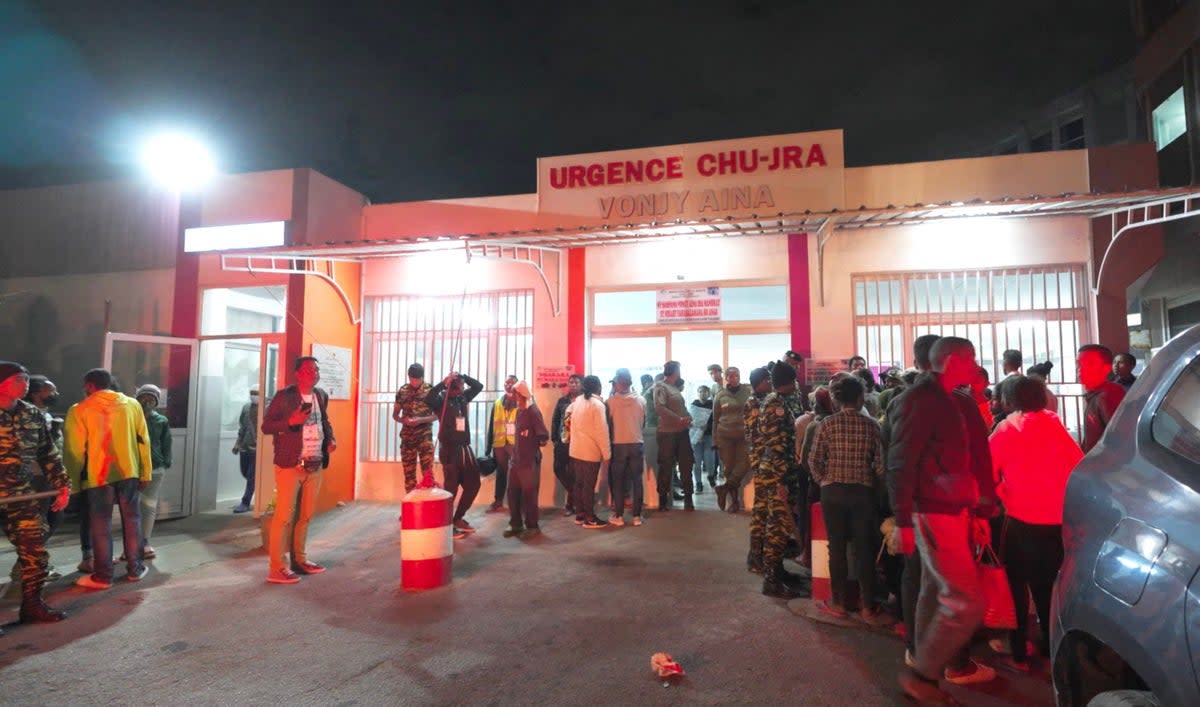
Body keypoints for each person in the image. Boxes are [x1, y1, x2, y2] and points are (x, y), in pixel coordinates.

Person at [891, 337, 998, 700]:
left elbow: (978, 458)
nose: (974, 366)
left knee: (933, 591)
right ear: (952, 361)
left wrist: (981, 509)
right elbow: (901, 462)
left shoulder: (959, 401)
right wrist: (903, 521)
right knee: (965, 601)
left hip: (954, 508)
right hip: (933, 510)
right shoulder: (919, 401)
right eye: (970, 360)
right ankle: (924, 674)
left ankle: (924, 671)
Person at [989, 376, 1083, 671]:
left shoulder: (1006, 429)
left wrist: (1003, 492)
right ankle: (1050, 646)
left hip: (1020, 521)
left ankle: (1018, 652)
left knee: (1016, 586)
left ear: (1009, 400)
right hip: (1057, 523)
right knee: (1048, 587)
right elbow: (1078, 467)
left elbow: (988, 473)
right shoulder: (1057, 427)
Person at [808, 375, 886, 623]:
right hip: (862, 493)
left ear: (837, 399)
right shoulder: (872, 425)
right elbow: (881, 466)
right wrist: (869, 481)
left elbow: (813, 460)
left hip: (832, 493)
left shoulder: (827, 424)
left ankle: (839, 603)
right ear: (861, 397)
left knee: (837, 547)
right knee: (864, 549)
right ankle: (868, 606)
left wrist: (825, 480)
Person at [65, 368, 152, 590]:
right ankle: (135, 569)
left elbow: (74, 452)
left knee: (100, 524)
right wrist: (146, 472)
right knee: (132, 520)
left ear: (89, 386)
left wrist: (71, 484)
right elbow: (143, 440)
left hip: (98, 476)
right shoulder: (132, 405)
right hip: (129, 472)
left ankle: (103, 577)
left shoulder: (79, 410)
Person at [0, 362, 71, 626]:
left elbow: (47, 453)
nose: (26, 383)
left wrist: (62, 484)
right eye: (20, 378)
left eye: (28, 378)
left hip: (20, 494)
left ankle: (31, 606)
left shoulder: (31, 414)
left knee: (35, 552)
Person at [260, 357, 336, 584]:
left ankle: (300, 559)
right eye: (310, 369)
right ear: (297, 373)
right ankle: (276, 567)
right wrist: (291, 422)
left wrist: (330, 439)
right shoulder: (285, 396)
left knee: (306, 516)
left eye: (317, 368)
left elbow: (325, 421)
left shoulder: (320, 395)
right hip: (290, 464)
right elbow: (266, 426)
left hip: (315, 463)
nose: (315, 372)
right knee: (283, 517)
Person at [751, 363, 805, 598]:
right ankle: (771, 580)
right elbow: (775, 446)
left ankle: (778, 572)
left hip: (777, 471)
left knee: (777, 524)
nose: (795, 385)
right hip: (777, 473)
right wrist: (782, 480)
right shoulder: (775, 405)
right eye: (793, 381)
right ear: (788, 381)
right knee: (778, 526)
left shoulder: (777, 401)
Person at [426, 371, 485, 539]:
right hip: (449, 450)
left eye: (461, 386)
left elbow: (478, 386)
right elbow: (428, 398)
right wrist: (443, 383)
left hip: (465, 449)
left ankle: (458, 518)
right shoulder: (440, 401)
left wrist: (464, 376)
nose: (461, 389)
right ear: (450, 387)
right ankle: (446, 526)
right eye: (458, 387)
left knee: (473, 484)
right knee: (450, 489)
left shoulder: (462, 398)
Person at [19, 375, 63, 582]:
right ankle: (28, 566)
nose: (55, 394)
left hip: (45, 475)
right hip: (37, 475)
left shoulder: (41, 413)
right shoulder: (27, 414)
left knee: (49, 518)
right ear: (37, 392)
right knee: (41, 521)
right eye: (50, 390)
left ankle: (29, 564)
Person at [502, 381, 548, 539]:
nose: (512, 395)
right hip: (516, 460)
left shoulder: (533, 411)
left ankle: (532, 525)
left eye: (515, 393)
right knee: (512, 492)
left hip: (528, 462)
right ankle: (515, 523)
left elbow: (543, 436)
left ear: (521, 394)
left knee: (529, 494)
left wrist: (530, 446)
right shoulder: (519, 411)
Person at [568, 375, 610, 529]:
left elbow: (567, 416)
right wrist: (607, 454)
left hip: (575, 450)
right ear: (598, 387)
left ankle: (579, 514)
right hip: (590, 452)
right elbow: (602, 432)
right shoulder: (597, 405)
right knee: (588, 486)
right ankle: (590, 518)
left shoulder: (577, 401)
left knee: (578, 484)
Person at [134, 384, 171, 559]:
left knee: (148, 505)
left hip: (155, 467)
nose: (147, 402)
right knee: (132, 506)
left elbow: (166, 444)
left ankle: (145, 541)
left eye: (151, 399)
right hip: (132, 467)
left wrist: (165, 464)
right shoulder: (130, 417)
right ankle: (132, 542)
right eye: (143, 398)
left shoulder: (161, 421)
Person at [605, 368, 646, 527]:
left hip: (618, 445)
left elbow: (607, 425)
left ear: (617, 383)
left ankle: (619, 516)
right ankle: (636, 517)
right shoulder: (641, 400)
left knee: (618, 482)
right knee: (637, 481)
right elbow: (643, 422)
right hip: (637, 443)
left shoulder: (610, 402)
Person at [653, 361, 694, 511]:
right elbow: (659, 408)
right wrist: (679, 419)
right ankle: (663, 501)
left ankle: (688, 499)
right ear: (675, 371)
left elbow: (681, 408)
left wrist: (688, 417)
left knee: (687, 465)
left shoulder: (674, 388)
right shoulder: (660, 387)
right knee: (666, 467)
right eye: (679, 370)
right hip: (667, 434)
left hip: (682, 432)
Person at [743, 366, 773, 569]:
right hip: (762, 459)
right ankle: (755, 555)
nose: (770, 383)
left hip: (765, 459)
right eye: (767, 380)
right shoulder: (754, 402)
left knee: (764, 508)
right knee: (761, 508)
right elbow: (757, 434)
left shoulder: (766, 399)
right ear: (760, 382)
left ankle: (758, 555)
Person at [713, 366, 752, 512]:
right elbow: (715, 419)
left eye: (736, 375)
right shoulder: (720, 395)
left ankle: (724, 488)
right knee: (728, 468)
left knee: (746, 462)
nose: (733, 378)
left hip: (744, 435)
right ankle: (734, 502)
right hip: (725, 436)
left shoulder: (747, 391)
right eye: (729, 375)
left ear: (740, 376)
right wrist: (714, 440)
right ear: (726, 377)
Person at [392, 363, 435, 494]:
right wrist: (402, 420)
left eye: (416, 379)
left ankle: (429, 508)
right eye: (411, 379)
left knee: (427, 475)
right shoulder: (403, 391)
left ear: (422, 377)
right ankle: (411, 510)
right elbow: (395, 415)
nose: (414, 382)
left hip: (424, 438)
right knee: (409, 476)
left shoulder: (430, 391)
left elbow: (438, 415)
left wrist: (419, 420)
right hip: (407, 438)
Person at [1077, 345, 1126, 454]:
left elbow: (1119, 440)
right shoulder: (1094, 395)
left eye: (1090, 364)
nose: (1080, 369)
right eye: (1079, 364)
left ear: (1106, 368)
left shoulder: (1109, 395)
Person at [485, 374, 519, 513]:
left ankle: (517, 503)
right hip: (499, 443)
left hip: (514, 444)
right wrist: (488, 447)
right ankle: (498, 501)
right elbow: (491, 425)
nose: (508, 385)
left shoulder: (522, 401)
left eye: (511, 383)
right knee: (501, 472)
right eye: (506, 382)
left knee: (517, 473)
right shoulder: (498, 402)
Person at [551, 374, 581, 516]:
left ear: (581, 384)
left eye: (576, 382)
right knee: (558, 468)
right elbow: (555, 420)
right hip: (562, 441)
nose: (573, 384)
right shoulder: (562, 401)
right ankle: (576, 493)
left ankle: (570, 505)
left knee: (573, 473)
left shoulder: (584, 401)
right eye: (571, 382)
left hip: (578, 441)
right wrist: (554, 439)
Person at [232, 386, 260, 513]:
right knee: (245, 472)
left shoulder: (266, 408)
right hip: (245, 447)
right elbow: (242, 428)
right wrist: (237, 444)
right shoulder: (246, 408)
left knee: (251, 476)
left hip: (257, 449)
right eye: (252, 393)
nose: (253, 395)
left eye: (256, 393)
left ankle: (245, 502)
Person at [688, 385, 715, 493]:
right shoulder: (694, 405)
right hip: (696, 436)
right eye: (700, 391)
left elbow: (715, 420)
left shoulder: (712, 405)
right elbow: (690, 420)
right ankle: (698, 483)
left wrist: (707, 427)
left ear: (708, 393)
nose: (702, 394)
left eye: (704, 392)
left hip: (708, 435)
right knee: (696, 462)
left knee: (709, 460)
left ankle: (711, 476)